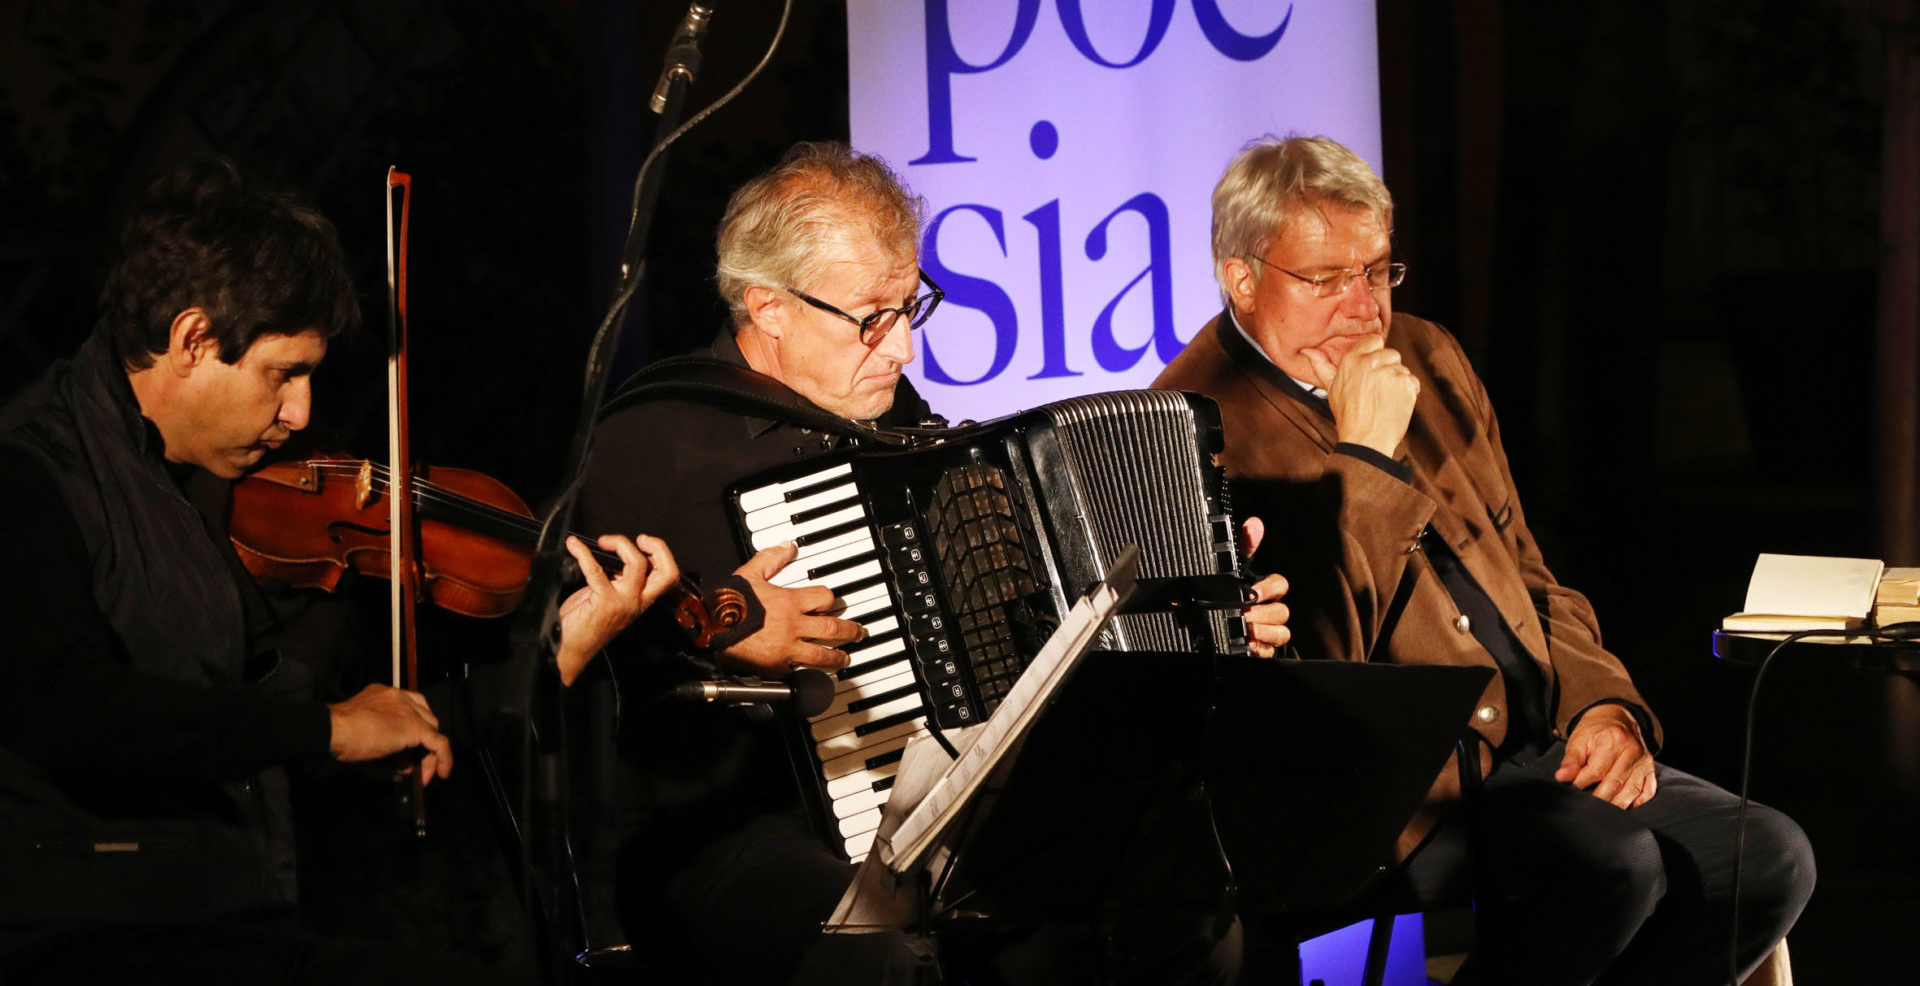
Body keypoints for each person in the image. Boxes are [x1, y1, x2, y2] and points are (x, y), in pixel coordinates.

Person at [581, 141, 1290, 984]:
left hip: (943, 817)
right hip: (733, 829)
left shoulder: (903, 430)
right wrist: (716, 629)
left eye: (908, 309)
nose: (902, 350)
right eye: (871, 318)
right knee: (874, 951)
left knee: (1187, 908)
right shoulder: (651, 438)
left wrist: (1198, 613)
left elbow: (1031, 630)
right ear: (768, 307)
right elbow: (581, 645)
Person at [1153, 135, 1815, 985]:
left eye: (1377, 271)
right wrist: (1367, 462)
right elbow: (1323, 675)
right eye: (1325, 280)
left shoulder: (1429, 355)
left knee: (1765, 856)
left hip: (1538, 740)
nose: (1362, 309)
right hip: (1403, 798)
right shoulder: (1193, 433)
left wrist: (1604, 705)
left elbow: (1532, 574)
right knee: (1610, 870)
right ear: (1240, 277)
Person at [0, 159, 676, 983]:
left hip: (221, 924)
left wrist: (542, 666)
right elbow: (68, 710)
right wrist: (328, 729)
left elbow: (330, 727)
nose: (301, 415)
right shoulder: (29, 473)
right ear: (192, 341)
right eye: (283, 373)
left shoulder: (194, 499)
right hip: (83, 938)